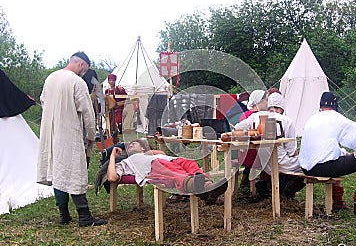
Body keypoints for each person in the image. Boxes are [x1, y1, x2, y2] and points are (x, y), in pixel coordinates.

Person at [37, 51, 107, 227]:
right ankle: (84, 216)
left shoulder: (50, 78)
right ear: (82, 65)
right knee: (75, 171)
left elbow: (43, 101)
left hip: (51, 133)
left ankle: (64, 214)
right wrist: (92, 136)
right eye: (85, 70)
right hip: (68, 133)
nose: (84, 73)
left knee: (58, 171)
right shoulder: (77, 82)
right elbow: (87, 113)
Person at [298, 92, 356, 215]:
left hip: (307, 168)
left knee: (338, 157)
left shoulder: (312, 118)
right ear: (335, 105)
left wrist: (344, 153)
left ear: (321, 105)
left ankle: (337, 201)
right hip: (324, 167)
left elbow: (326, 147)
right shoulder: (336, 117)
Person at [106, 139, 228, 205]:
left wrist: (148, 152)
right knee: (174, 173)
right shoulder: (127, 161)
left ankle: (209, 188)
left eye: (134, 144)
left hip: (171, 161)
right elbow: (112, 178)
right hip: (154, 167)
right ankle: (202, 190)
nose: (130, 146)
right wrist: (112, 156)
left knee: (188, 163)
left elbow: (162, 154)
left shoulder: (150, 154)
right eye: (128, 146)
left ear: (143, 147)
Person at [235, 92, 305, 199]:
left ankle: (269, 185)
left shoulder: (256, 116)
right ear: (282, 108)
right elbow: (291, 152)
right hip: (282, 163)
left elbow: (237, 128)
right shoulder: (287, 121)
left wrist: (249, 134)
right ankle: (286, 189)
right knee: (309, 166)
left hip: (265, 166)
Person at [236, 90, 269, 190]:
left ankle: (247, 178)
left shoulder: (244, 114)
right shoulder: (257, 116)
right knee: (271, 155)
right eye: (266, 100)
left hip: (240, 155)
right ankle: (265, 185)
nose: (268, 102)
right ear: (259, 101)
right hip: (252, 155)